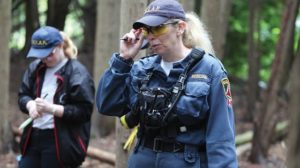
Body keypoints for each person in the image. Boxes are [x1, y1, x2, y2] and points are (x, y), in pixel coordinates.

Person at [96, 0, 237, 167]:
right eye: (148, 30)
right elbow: (107, 105)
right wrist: (123, 59)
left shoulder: (209, 70)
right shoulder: (142, 68)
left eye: (159, 28)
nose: (152, 36)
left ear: (180, 27)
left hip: (186, 161)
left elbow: (221, 137)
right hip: (142, 160)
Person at [18, 26, 95, 168]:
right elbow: (23, 95)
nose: (45, 59)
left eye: (49, 54)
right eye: (40, 55)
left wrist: (52, 109)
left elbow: (84, 112)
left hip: (62, 141)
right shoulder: (35, 68)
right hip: (33, 136)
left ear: (60, 46)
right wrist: (30, 105)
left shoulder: (78, 73)